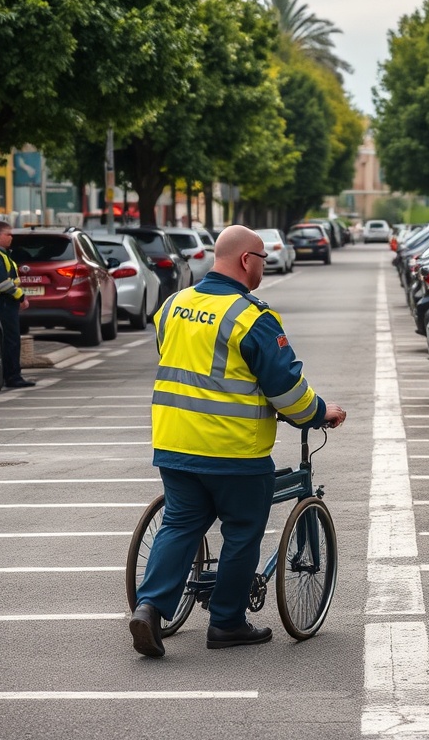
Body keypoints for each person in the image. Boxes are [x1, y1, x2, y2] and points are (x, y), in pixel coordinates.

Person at [129, 224, 346, 657]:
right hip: (233, 450)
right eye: (263, 258)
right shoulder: (253, 317)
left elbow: (177, 362)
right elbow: (286, 390)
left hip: (175, 443)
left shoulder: (173, 305)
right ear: (248, 260)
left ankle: (150, 609)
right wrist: (321, 412)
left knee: (180, 523)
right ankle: (227, 622)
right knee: (243, 530)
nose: (263, 267)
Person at [0, 221, 35, 389]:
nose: (11, 238)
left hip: (2, 302)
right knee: (11, 341)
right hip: (1, 301)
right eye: (8, 234)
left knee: (7, 341)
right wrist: (21, 297)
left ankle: (7, 375)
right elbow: (3, 284)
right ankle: (13, 377)